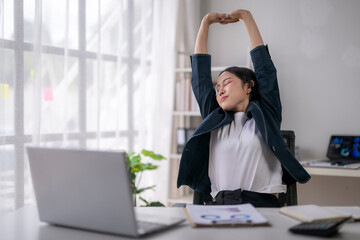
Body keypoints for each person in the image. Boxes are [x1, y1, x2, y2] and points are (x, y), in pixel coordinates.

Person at [177, 9, 311, 207]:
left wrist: (246, 18)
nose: (220, 90)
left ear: (249, 87)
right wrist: (205, 23)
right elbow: (200, 79)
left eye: (227, 82)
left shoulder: (266, 116)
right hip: (220, 208)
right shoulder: (214, 119)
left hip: (264, 207)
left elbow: (265, 72)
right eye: (218, 87)